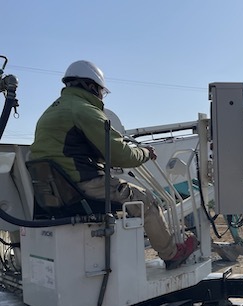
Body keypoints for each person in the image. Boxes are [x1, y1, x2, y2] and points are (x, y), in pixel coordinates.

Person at [30, 60, 197, 269]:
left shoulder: (51, 112)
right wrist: (144, 153)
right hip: (82, 184)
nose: (101, 96)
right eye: (101, 91)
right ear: (91, 86)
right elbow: (121, 156)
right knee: (145, 200)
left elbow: (72, 149)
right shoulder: (85, 110)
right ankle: (172, 253)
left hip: (58, 189)